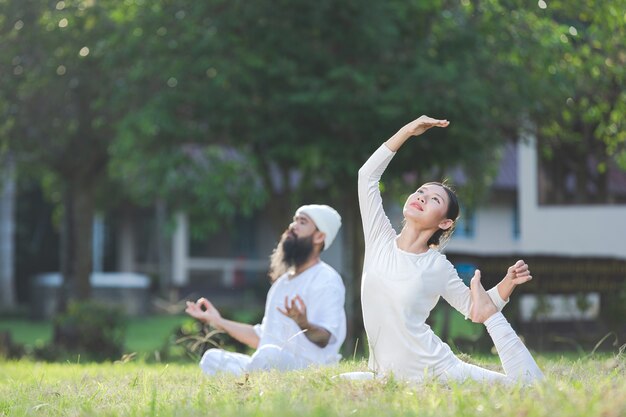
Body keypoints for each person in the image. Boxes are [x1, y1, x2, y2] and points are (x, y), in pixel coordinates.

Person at [346, 115, 543, 385]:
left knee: (525, 387)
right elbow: (366, 176)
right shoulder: (379, 238)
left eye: (434, 198)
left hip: (440, 372)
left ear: (445, 222)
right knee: (331, 384)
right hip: (386, 378)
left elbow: (477, 309)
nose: (421, 197)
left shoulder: (436, 266)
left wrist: (507, 284)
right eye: (420, 192)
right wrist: (407, 131)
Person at [185, 204, 346, 376]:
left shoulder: (327, 279)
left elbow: (324, 339)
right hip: (272, 362)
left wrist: (303, 323)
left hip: (309, 369)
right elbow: (262, 338)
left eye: (302, 222)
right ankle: (251, 378)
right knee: (212, 358)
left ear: (319, 236)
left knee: (269, 355)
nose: (293, 226)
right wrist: (218, 321)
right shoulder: (282, 283)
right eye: (294, 221)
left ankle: (247, 381)